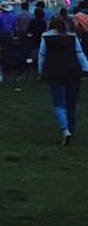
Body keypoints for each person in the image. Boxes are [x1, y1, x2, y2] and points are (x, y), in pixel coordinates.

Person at [39, 15, 88, 145]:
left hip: (54, 72)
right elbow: (79, 53)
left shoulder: (46, 37)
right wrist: (86, 68)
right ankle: (71, 130)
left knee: (59, 104)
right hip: (73, 72)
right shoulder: (72, 37)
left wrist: (40, 70)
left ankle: (65, 130)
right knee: (72, 104)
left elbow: (42, 55)